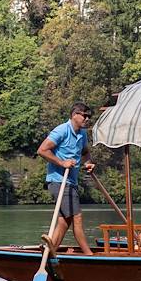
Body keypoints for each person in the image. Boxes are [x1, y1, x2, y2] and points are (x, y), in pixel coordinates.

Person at [37, 103, 96, 255]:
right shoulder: (62, 130)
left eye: (89, 116)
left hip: (72, 182)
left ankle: (50, 251)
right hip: (58, 181)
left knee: (65, 220)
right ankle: (89, 255)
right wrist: (62, 162)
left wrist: (88, 163)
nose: (87, 119)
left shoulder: (82, 134)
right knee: (77, 218)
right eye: (84, 115)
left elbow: (85, 152)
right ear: (74, 115)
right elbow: (42, 150)